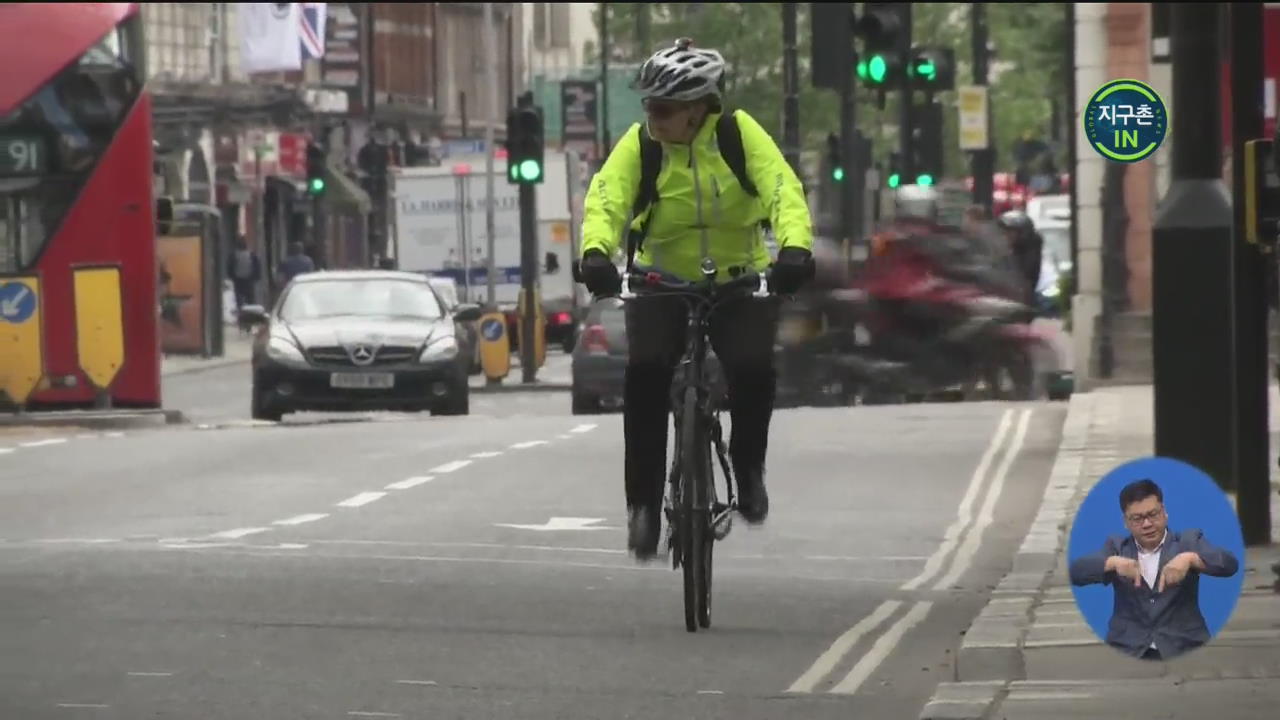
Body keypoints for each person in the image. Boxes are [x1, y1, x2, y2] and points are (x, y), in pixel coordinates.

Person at [576, 38, 816, 561]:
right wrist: (595, 252)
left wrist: (794, 248)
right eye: (649, 107)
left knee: (753, 369)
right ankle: (642, 506)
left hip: (736, 278)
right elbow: (607, 199)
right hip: (660, 279)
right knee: (644, 377)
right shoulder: (640, 146)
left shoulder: (737, 135)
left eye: (662, 109)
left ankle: (749, 470)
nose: (652, 118)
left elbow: (782, 189)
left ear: (696, 109)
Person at [1068, 479, 1239, 661]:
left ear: (1164, 512)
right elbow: (1076, 572)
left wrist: (1191, 559)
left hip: (1184, 646)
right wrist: (1112, 563)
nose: (1147, 524)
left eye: (1153, 514)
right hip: (1128, 648)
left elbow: (1229, 565)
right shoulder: (1117, 547)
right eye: (1137, 519)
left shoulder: (1188, 541)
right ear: (1126, 522)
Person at [227, 236, 262, 312]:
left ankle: (241, 311)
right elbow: (257, 266)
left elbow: (230, 267)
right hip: (249, 280)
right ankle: (250, 313)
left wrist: (231, 277)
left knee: (239, 300)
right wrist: (256, 277)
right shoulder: (251, 255)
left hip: (238, 281)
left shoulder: (234, 255)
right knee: (250, 299)